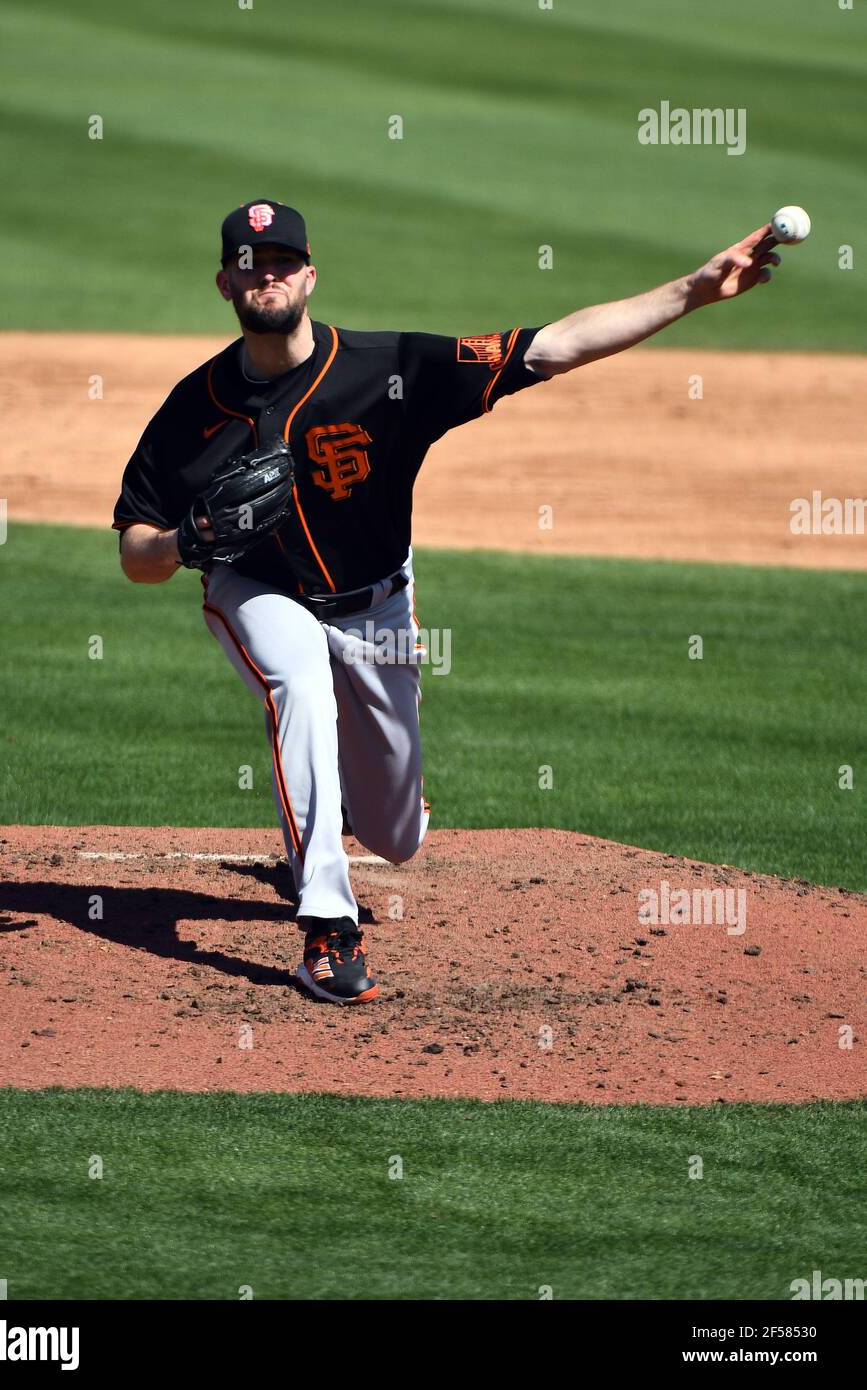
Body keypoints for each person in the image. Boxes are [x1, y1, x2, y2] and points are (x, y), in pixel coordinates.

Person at [113, 198, 781, 1004]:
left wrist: (692, 292)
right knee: (299, 686)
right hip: (256, 590)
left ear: (310, 274)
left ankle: (346, 816)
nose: (268, 275)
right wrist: (186, 542)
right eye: (250, 264)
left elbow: (552, 347)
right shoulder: (193, 410)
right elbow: (134, 554)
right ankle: (327, 927)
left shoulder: (387, 368)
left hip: (378, 611)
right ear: (224, 282)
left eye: (283, 261)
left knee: (397, 839)